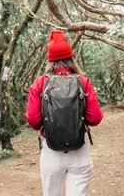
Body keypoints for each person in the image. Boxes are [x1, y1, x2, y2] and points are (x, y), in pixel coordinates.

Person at [25, 30, 103, 196]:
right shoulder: (83, 81)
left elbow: (33, 119)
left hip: (51, 152)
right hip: (79, 150)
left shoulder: (40, 83)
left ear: (50, 59)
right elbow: (95, 118)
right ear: (71, 57)